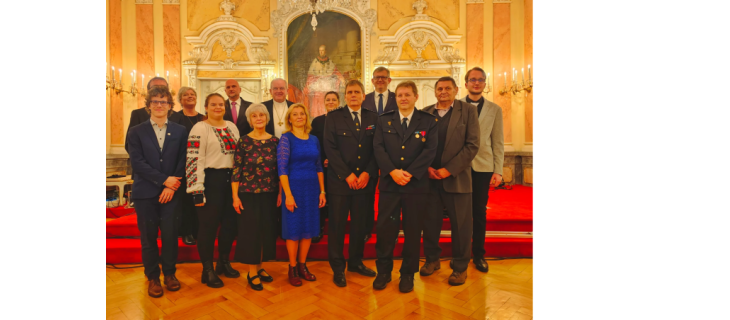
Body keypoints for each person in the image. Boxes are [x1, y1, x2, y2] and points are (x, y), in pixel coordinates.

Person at [372, 81, 438, 293]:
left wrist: (409, 173)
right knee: (385, 230)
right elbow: (378, 148)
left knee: (412, 231)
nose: (403, 98)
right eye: (399, 95)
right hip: (390, 185)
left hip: (415, 186)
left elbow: (430, 150)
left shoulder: (428, 121)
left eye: (407, 95)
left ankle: (408, 274)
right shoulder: (384, 121)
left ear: (416, 97)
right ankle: (383, 272)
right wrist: (392, 171)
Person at [126, 86, 187, 298]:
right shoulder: (136, 131)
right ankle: (153, 277)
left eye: (163, 101)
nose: (159, 105)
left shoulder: (180, 131)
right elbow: (137, 163)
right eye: (155, 101)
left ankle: (170, 274)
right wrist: (164, 180)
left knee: (170, 236)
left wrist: (172, 186)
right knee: (149, 238)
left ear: (170, 106)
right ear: (148, 105)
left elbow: (183, 160)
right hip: (145, 193)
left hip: (172, 193)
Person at [420, 76, 481, 286]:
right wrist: (426, 168)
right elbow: (417, 146)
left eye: (447, 88)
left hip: (457, 180)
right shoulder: (425, 113)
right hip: (429, 180)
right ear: (435, 91)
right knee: (429, 224)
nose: (443, 91)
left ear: (456, 90)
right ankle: (432, 259)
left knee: (461, 226)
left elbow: (472, 145)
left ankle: (460, 267)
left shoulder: (468, 111)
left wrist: (449, 170)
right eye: (439, 88)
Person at [323, 80, 379, 287]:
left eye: (357, 92)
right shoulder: (334, 117)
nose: (353, 95)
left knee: (360, 226)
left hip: (365, 182)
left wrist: (367, 173)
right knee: (337, 226)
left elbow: (378, 149)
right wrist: (347, 174)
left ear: (364, 96)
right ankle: (338, 268)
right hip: (340, 182)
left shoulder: (374, 118)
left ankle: (355, 262)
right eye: (349, 92)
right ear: (345, 96)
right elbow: (330, 147)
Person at [186, 93, 241, 288]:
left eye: (221, 104)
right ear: (206, 107)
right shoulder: (200, 128)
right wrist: (196, 189)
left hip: (231, 183)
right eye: (213, 104)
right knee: (208, 228)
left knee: (229, 225)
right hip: (210, 182)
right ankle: (207, 269)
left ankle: (223, 262)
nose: (218, 107)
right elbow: (194, 159)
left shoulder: (232, 127)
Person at [231, 103, 281, 291]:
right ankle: (252, 271)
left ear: (267, 119)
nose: (258, 118)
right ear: (250, 120)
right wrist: (235, 196)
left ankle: (260, 268)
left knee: (266, 231)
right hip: (248, 194)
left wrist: (281, 193)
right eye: (254, 116)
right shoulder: (243, 141)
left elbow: (280, 171)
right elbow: (236, 171)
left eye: (262, 115)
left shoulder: (275, 141)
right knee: (251, 232)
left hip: (270, 193)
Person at [277, 104, 326, 287]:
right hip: (293, 188)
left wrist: (322, 191)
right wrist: (288, 195)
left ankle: (303, 266)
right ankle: (292, 267)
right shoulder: (286, 138)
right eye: (295, 114)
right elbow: (282, 169)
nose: (299, 117)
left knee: (308, 229)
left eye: (302, 114)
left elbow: (319, 166)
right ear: (289, 119)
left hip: (312, 188)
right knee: (293, 230)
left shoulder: (314, 139)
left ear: (306, 117)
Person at [461, 67, 504, 273]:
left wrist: (498, 170)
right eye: (472, 79)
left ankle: (478, 255)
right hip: (459, 167)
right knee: (459, 213)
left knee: (478, 212)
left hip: (483, 166)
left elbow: (498, 141)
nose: (476, 83)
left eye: (480, 80)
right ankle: (460, 255)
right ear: (466, 82)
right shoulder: (456, 106)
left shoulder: (494, 109)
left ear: (485, 83)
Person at [170, 86, 205, 246]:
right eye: (186, 95)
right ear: (180, 100)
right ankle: (186, 231)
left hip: (202, 165)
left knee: (200, 199)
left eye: (192, 94)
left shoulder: (204, 118)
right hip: (182, 165)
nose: (190, 97)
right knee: (185, 201)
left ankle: (199, 230)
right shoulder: (174, 118)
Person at [309, 91, 341, 243]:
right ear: (324, 102)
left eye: (334, 99)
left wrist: (333, 159)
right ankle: (319, 228)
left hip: (339, 166)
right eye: (328, 100)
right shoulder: (317, 121)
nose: (330, 102)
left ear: (338, 102)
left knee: (335, 199)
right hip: (320, 165)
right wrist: (322, 160)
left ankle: (335, 231)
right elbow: (314, 144)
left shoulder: (344, 120)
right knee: (320, 197)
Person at [125, 77, 169, 152]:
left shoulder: (177, 116)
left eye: (163, 88)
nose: (159, 90)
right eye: (155, 87)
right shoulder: (137, 114)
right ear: (148, 91)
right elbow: (129, 144)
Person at [304, 45, 346, 118]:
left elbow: (335, 71)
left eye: (322, 50)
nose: (321, 52)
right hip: (318, 83)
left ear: (325, 51)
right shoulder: (315, 61)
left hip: (328, 83)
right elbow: (310, 74)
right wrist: (309, 82)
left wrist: (341, 78)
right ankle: (319, 116)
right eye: (320, 50)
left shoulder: (329, 61)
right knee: (318, 98)